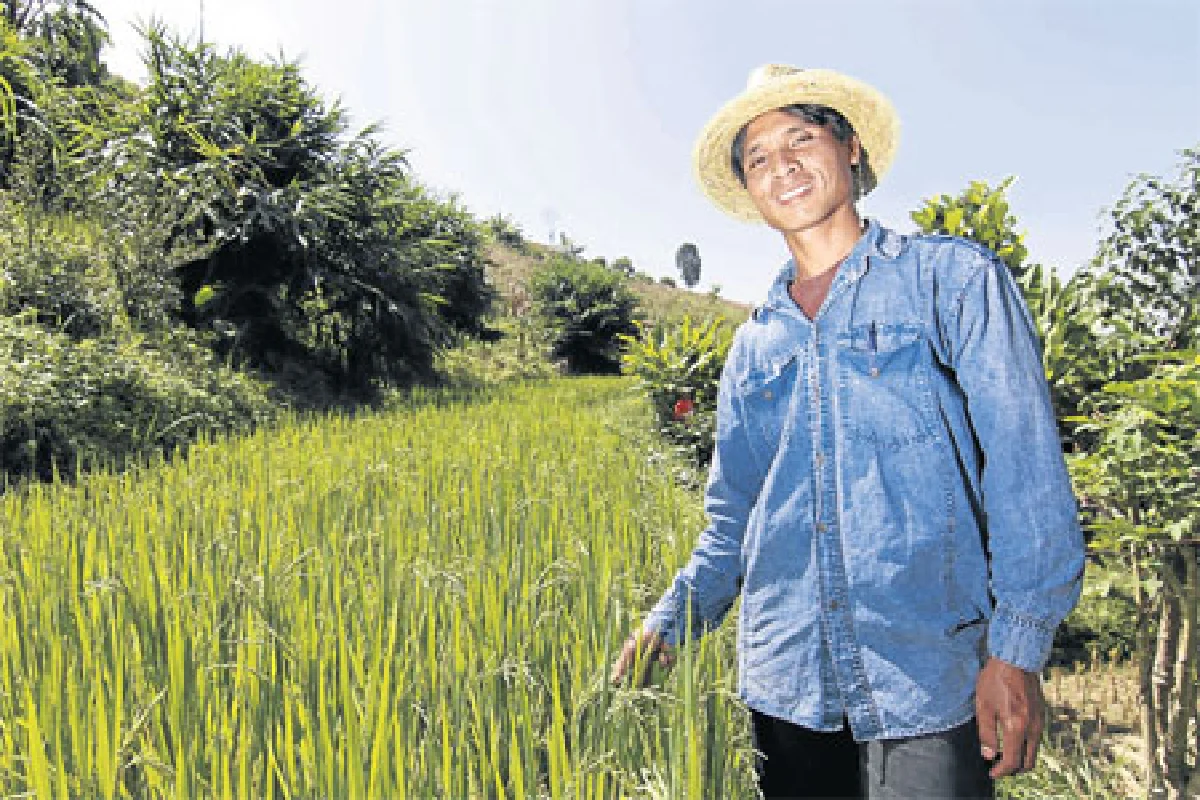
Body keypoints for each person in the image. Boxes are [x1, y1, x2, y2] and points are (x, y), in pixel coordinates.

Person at [610, 64, 1085, 799]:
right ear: (748, 188)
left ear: (851, 147)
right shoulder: (754, 348)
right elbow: (734, 521)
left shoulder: (951, 283)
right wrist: (668, 621)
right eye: (758, 158)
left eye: (800, 138)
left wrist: (1017, 652)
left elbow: (1025, 472)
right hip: (785, 683)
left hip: (929, 678)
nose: (783, 166)